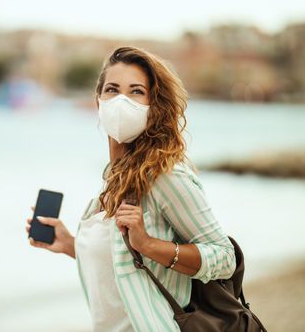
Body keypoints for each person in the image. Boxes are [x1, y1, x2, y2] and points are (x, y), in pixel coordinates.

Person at [25, 46, 236, 332]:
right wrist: (69, 244)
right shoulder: (115, 177)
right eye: (112, 89)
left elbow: (224, 258)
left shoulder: (167, 176)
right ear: (98, 101)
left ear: (154, 104)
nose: (121, 101)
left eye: (136, 91)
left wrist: (148, 244)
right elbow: (124, 265)